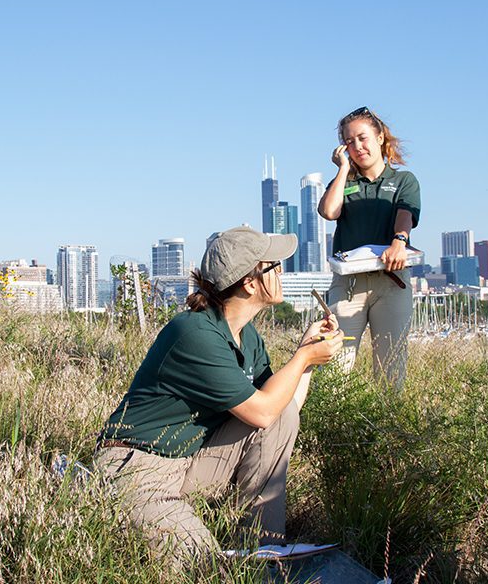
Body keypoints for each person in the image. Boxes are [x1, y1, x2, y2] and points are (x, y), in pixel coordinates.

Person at [95, 226, 343, 561]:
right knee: (207, 567)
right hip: (138, 467)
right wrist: (302, 358)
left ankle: (263, 548)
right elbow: (262, 412)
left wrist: (308, 358)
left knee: (281, 416)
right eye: (274, 266)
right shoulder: (195, 333)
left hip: (189, 462)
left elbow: (283, 411)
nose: (282, 272)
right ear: (250, 282)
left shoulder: (247, 336)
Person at [318, 106, 422, 389]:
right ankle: (332, 429)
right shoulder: (344, 182)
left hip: (391, 281)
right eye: (349, 142)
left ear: (379, 138)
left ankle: (387, 432)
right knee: (335, 366)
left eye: (362, 138)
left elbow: (405, 214)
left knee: (391, 368)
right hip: (348, 284)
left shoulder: (403, 180)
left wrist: (399, 241)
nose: (357, 146)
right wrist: (342, 169)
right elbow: (329, 212)